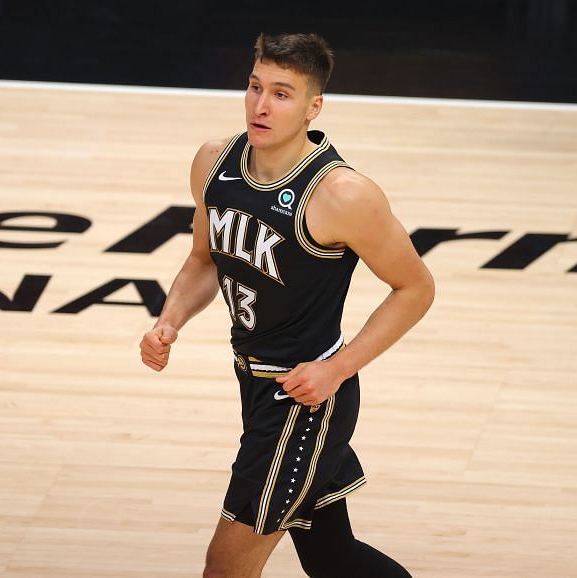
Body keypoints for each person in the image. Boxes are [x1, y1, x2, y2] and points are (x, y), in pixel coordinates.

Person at [140, 32, 434, 578]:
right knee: (332, 557)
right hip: (253, 383)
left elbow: (416, 289)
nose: (260, 105)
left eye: (281, 93)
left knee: (225, 568)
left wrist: (337, 369)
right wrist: (170, 320)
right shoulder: (214, 161)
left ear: (312, 107)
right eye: (255, 87)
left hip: (304, 398)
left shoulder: (343, 195)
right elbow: (205, 259)